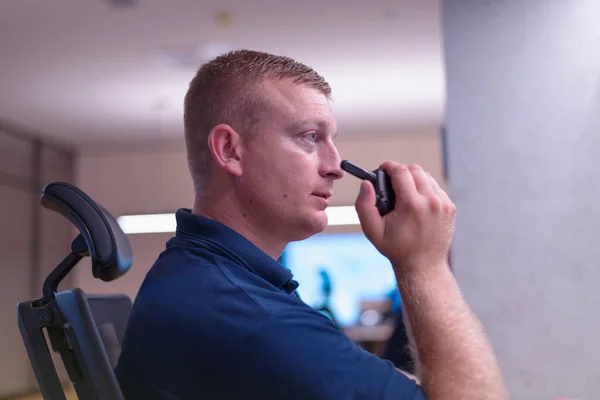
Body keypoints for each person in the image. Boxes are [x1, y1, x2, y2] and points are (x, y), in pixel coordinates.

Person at [115, 49, 508, 399]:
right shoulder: (254, 319)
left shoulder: (208, 280)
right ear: (230, 151)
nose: (336, 166)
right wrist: (424, 266)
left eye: (331, 140)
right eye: (310, 137)